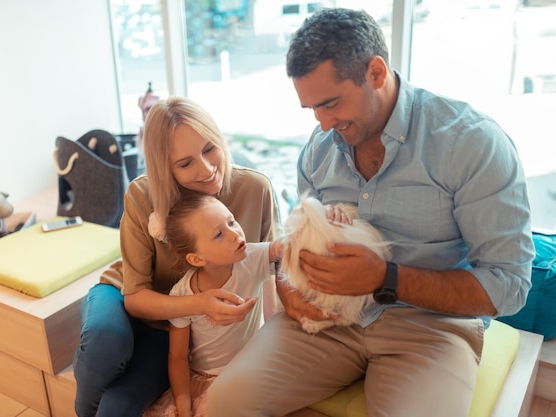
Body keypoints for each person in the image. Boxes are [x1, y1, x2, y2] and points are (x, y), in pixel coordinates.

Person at [207, 8, 535, 417]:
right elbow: (293, 245)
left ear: (376, 73)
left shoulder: (470, 144)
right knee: (223, 404)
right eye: (311, 109)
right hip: (328, 321)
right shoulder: (319, 149)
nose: (323, 124)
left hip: (430, 326)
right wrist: (290, 290)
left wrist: (386, 278)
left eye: (330, 104)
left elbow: (509, 286)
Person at [72, 96, 281, 417]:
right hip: (125, 293)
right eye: (185, 163)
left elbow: (272, 274)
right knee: (104, 344)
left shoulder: (255, 189)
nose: (208, 169)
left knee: (117, 406)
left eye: (210, 148)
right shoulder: (143, 194)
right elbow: (136, 296)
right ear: (164, 168)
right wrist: (200, 303)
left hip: (173, 329)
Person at [144, 194, 283, 417]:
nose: (234, 233)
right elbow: (178, 357)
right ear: (197, 259)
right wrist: (183, 404)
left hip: (248, 372)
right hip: (204, 378)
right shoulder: (182, 293)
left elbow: (285, 246)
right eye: (219, 234)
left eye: (231, 221)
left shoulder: (253, 257)